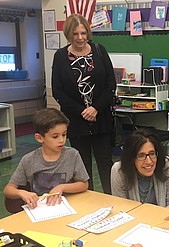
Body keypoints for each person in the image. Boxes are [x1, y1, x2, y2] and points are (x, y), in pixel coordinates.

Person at [51, 13, 116, 194]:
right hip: (76, 121)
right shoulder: (60, 57)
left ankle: (113, 199)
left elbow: (111, 84)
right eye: (75, 34)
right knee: (82, 166)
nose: (80, 38)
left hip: (101, 118)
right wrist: (83, 111)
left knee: (105, 163)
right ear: (68, 35)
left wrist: (95, 108)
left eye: (83, 33)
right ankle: (89, 203)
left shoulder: (100, 51)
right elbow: (58, 91)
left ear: (88, 33)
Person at [3, 108, 89, 210]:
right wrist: (21, 193)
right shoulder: (29, 160)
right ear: (39, 138)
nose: (61, 140)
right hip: (39, 211)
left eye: (64, 134)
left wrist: (62, 187)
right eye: (55, 136)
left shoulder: (72, 155)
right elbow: (8, 190)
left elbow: (84, 184)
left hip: (67, 208)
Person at [111, 129, 169, 211]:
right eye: (141, 155)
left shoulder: (165, 164)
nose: (149, 161)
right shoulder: (119, 171)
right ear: (131, 157)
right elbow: (121, 207)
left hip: (162, 219)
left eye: (152, 154)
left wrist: (159, 219)